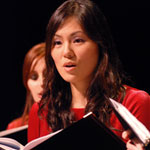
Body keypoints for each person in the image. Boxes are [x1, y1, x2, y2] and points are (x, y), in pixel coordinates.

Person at [28, 0, 150, 149]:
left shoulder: (134, 103)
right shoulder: (42, 111)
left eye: (77, 40)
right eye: (58, 42)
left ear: (100, 45)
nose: (66, 52)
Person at [7, 42, 46, 129]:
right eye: (34, 77)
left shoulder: (70, 119)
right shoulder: (16, 127)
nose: (42, 83)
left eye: (47, 76)